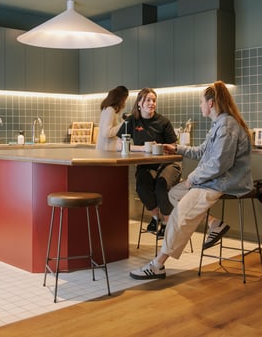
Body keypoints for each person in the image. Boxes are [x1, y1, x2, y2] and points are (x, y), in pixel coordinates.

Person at [130, 81, 253, 280]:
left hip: (224, 182)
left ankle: (157, 265)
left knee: (180, 212)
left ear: (211, 103)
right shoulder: (219, 125)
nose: (200, 106)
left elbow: (219, 165)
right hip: (212, 180)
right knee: (173, 194)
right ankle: (214, 224)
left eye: (201, 102)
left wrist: (192, 179)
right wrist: (176, 148)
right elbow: (202, 152)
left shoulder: (227, 126)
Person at [117, 88, 181, 237]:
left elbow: (175, 146)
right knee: (142, 186)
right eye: (148, 100)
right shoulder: (132, 121)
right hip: (147, 165)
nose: (152, 103)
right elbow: (118, 144)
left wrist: (161, 148)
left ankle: (166, 223)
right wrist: (141, 148)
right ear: (139, 103)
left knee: (161, 186)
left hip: (168, 164)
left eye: (154, 100)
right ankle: (155, 216)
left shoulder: (163, 122)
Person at [95, 85, 129, 151]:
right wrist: (123, 124)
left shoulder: (107, 109)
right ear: (120, 98)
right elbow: (106, 133)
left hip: (104, 150)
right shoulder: (110, 110)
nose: (124, 102)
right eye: (124, 99)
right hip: (106, 151)